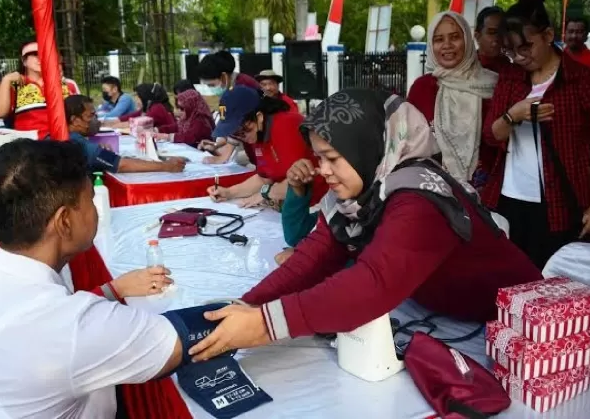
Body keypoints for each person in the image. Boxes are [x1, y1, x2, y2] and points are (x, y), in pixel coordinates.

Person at [183, 89, 543, 362]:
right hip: (450, 317)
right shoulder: (360, 197)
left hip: (524, 332)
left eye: (333, 158)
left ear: (369, 148)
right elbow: (311, 258)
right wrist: (244, 305)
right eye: (319, 158)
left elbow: (371, 284)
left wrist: (263, 324)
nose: (323, 171)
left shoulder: (419, 197)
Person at [0, 139, 187, 417]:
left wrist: (112, 289)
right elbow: (181, 342)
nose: (95, 209)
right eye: (90, 200)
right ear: (64, 222)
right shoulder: (70, 324)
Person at [481, 0, 590, 269]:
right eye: (511, 50)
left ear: (548, 35)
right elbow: (491, 134)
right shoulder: (510, 77)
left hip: (562, 201)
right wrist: (513, 115)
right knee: (511, 276)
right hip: (510, 197)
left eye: (526, 47)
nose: (519, 57)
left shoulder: (580, 80)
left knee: (556, 280)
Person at [407, 11, 499, 189]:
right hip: (435, 189)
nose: (447, 45)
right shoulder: (422, 88)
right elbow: (410, 143)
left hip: (488, 190)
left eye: (455, 37)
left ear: (467, 40)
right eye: (439, 39)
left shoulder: (493, 84)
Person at [206, 86, 327, 208]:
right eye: (234, 134)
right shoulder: (257, 134)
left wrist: (265, 194)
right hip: (289, 204)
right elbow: (264, 178)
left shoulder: (286, 125)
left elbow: (296, 180)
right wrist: (229, 192)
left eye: (242, 131)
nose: (241, 137)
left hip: (317, 202)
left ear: (259, 117)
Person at [66, 95, 186, 173]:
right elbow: (121, 165)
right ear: (75, 120)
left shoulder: (61, 135)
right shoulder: (79, 143)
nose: (96, 120)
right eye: (91, 116)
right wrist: (166, 166)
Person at [0, 41, 75, 137]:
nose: (40, 58)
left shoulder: (66, 85)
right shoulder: (15, 85)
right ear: (24, 61)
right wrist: (6, 80)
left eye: (44, 54)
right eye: (35, 54)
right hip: (29, 144)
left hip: (62, 141)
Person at [474, 6, 512, 73]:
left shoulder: (513, 69)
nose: (497, 38)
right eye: (491, 33)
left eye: (502, 32)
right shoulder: (466, 66)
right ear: (477, 36)